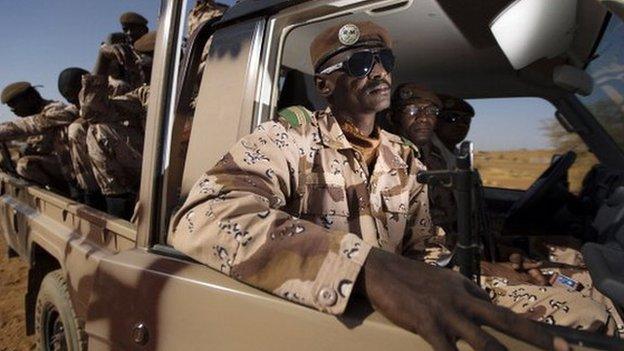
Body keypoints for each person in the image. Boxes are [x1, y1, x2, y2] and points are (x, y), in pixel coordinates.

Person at [169, 21, 570, 350]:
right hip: (331, 322)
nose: (379, 72)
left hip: (401, 318)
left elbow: (424, 247)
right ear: (325, 85)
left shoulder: (406, 155)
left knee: (576, 314)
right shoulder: (289, 139)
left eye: (384, 61)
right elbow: (203, 215)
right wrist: (361, 266)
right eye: (360, 64)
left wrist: (473, 276)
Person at [390, 85, 623, 337]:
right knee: (591, 305)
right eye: (413, 109)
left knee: (586, 272)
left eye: (432, 110)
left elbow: (453, 227)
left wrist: (498, 253)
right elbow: (413, 254)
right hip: (444, 274)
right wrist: (493, 267)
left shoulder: (436, 158)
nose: (425, 117)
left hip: (464, 258)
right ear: (393, 115)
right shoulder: (393, 166)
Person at [80, 31, 154, 219]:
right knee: (98, 130)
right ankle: (118, 205)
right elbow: (92, 112)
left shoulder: (200, 81)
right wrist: (103, 59)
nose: (137, 68)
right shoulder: (143, 94)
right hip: (160, 176)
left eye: (142, 61)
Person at [0, 82, 77, 193]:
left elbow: (26, 126)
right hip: (59, 164)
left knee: (25, 165)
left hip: (72, 167)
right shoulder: (34, 114)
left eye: (15, 106)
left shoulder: (55, 110)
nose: (14, 112)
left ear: (30, 98)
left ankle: (60, 194)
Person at [58, 67, 105, 208]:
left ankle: (92, 195)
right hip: (91, 183)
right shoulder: (73, 109)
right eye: (70, 99)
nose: (74, 102)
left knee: (75, 130)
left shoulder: (113, 91)